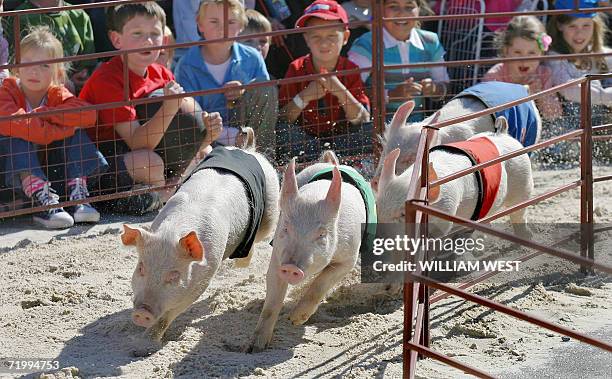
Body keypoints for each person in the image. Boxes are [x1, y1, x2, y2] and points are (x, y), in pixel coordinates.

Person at [80, 2, 222, 215]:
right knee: (150, 163)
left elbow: (187, 123)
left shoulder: (161, 73)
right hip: (100, 162)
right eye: (137, 34)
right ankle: (155, 196)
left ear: (164, 40)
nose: (147, 41)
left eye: (154, 34)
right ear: (116, 39)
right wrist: (170, 106)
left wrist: (207, 134)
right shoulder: (107, 79)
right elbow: (138, 142)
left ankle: (165, 191)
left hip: (148, 153)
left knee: (206, 151)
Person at [0, 27, 108, 228]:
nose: (34, 71)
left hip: (52, 167)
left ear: (58, 72)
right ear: (16, 66)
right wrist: (60, 128)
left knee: (77, 131)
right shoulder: (7, 90)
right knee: (16, 133)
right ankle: (41, 203)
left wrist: (44, 115)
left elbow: (88, 114)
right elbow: (12, 121)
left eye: (45, 66)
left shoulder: (57, 93)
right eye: (29, 63)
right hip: (11, 173)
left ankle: (78, 195)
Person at [175, 0, 277, 152]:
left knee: (265, 87)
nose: (222, 29)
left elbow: (265, 105)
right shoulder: (186, 66)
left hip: (249, 135)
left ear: (242, 26)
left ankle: (265, 159)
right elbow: (190, 120)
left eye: (231, 22)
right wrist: (232, 135)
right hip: (207, 141)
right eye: (214, 21)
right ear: (200, 24)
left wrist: (244, 91)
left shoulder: (253, 57)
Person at [277, 0, 371, 165]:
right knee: (284, 132)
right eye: (316, 36)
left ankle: (346, 164)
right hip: (306, 144)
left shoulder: (351, 69)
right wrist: (304, 97)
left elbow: (362, 118)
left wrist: (341, 92)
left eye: (332, 36)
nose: (324, 43)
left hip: (343, 143)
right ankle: (308, 165)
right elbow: (283, 119)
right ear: (306, 39)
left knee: (368, 130)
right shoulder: (296, 68)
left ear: (345, 37)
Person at [348, 0, 449, 122]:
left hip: (418, 126)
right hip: (376, 128)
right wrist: (391, 95)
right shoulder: (365, 45)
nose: (402, 13)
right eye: (393, 6)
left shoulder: (431, 41)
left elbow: (445, 86)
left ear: (419, 10)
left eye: (409, 6)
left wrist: (434, 89)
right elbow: (351, 92)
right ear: (380, 10)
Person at [542, 0, 612, 167]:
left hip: (597, 126)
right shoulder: (555, 57)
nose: (580, 34)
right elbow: (569, 90)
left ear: (595, 25)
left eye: (586, 25)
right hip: (567, 130)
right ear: (560, 25)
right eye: (573, 26)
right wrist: (606, 96)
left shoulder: (600, 54)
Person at [6, 0, 97, 94]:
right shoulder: (19, 17)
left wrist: (84, 75)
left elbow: (88, 64)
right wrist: (60, 84)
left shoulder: (80, 16)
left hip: (73, 97)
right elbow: (14, 69)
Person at [483, 16, 562, 120]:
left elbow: (554, 115)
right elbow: (490, 115)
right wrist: (520, 94)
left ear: (541, 53)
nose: (524, 60)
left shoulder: (544, 74)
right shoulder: (494, 76)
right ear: (506, 51)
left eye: (531, 53)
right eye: (517, 52)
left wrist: (539, 94)